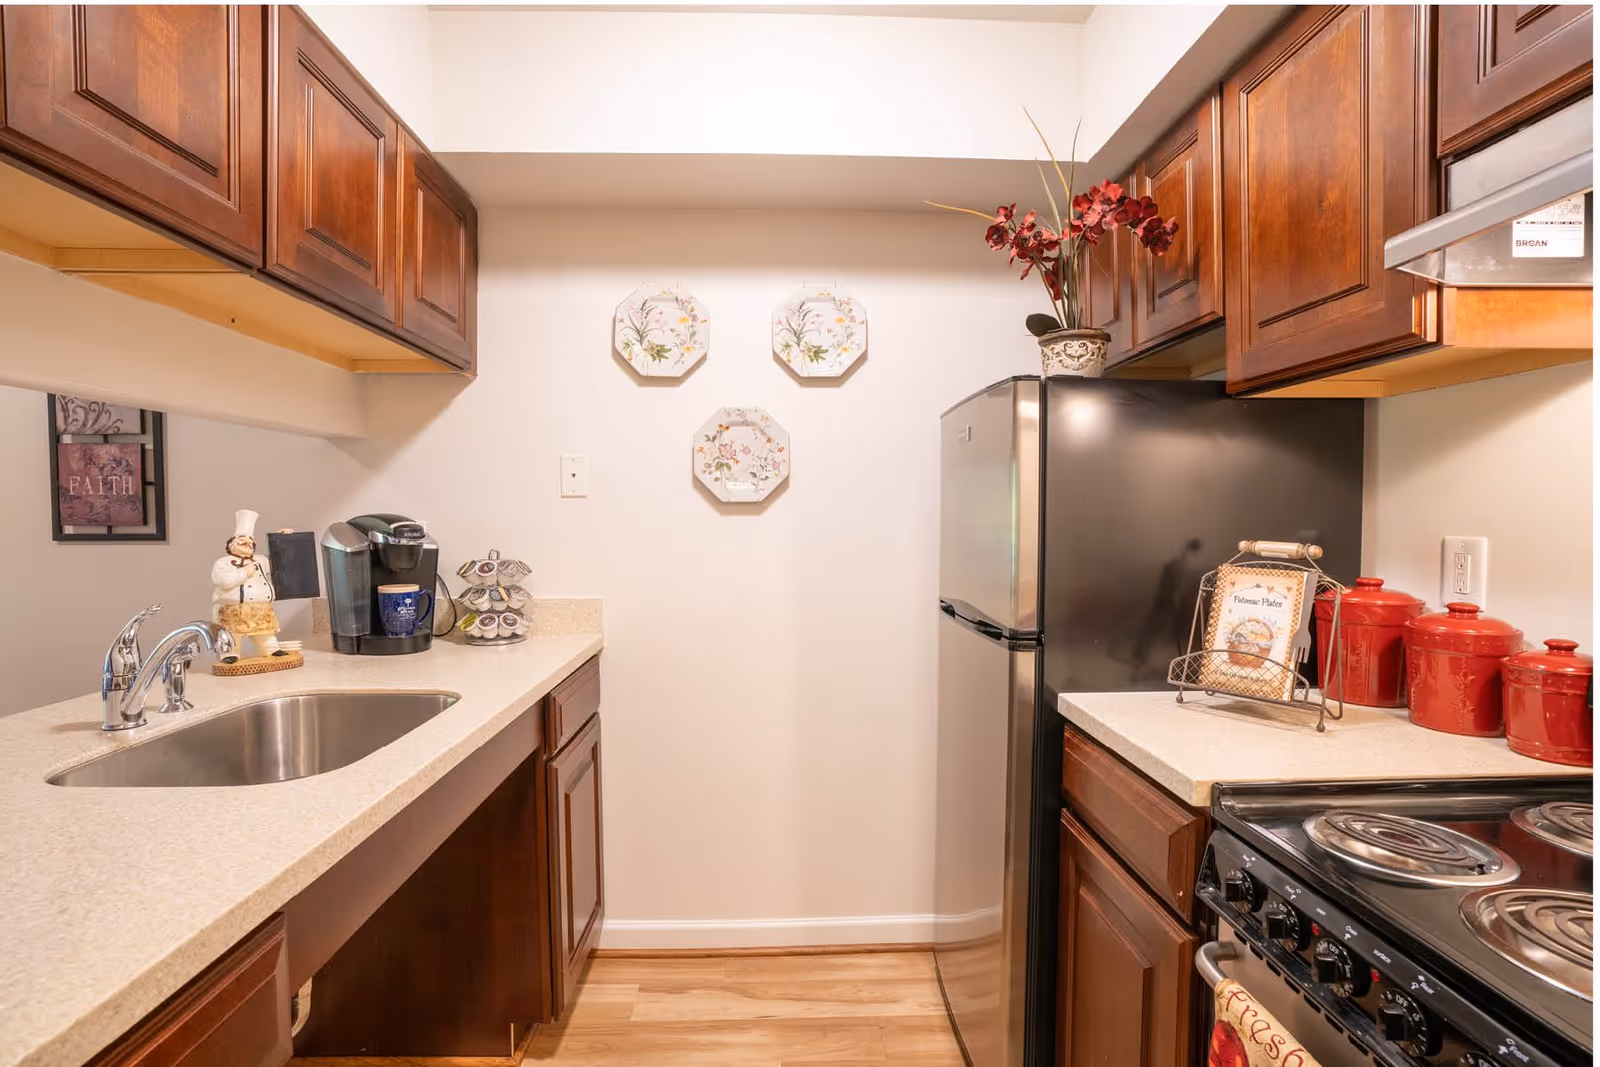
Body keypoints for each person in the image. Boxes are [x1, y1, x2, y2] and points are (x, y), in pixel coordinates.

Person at [211, 509, 287, 662]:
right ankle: (229, 653)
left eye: (250, 542)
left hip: (261, 608)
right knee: (232, 633)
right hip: (234, 608)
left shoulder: (261, 560)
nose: (247, 544)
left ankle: (271, 649)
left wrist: (282, 539)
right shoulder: (223, 563)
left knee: (265, 632)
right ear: (231, 546)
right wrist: (243, 573)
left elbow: (280, 560)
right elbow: (222, 581)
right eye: (241, 542)